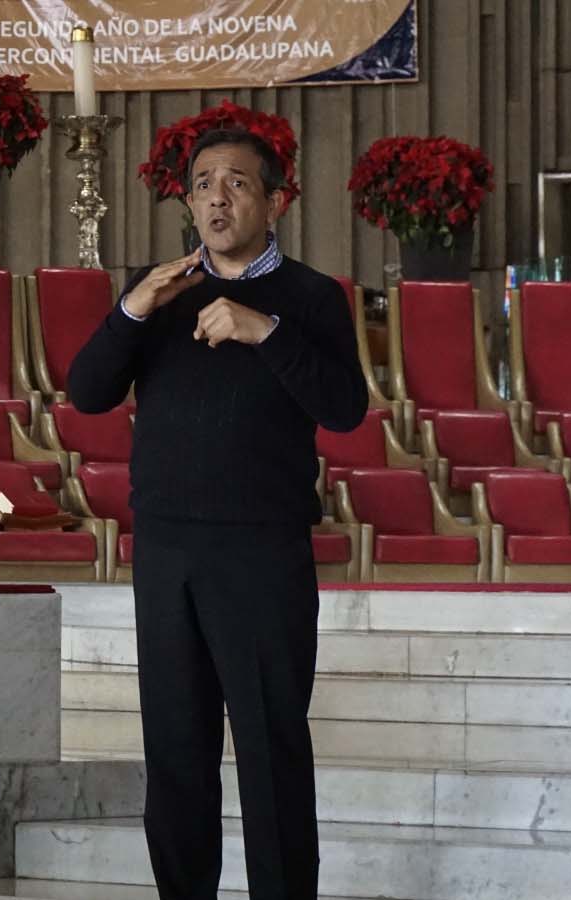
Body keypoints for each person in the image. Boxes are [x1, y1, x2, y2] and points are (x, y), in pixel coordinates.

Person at [68, 128, 367, 900]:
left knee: (270, 748)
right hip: (167, 549)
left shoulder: (310, 297)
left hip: (262, 552)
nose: (217, 197)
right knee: (175, 751)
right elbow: (88, 393)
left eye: (237, 182)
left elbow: (344, 407)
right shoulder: (162, 290)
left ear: (275, 201)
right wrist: (133, 308)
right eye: (202, 183)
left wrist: (263, 331)